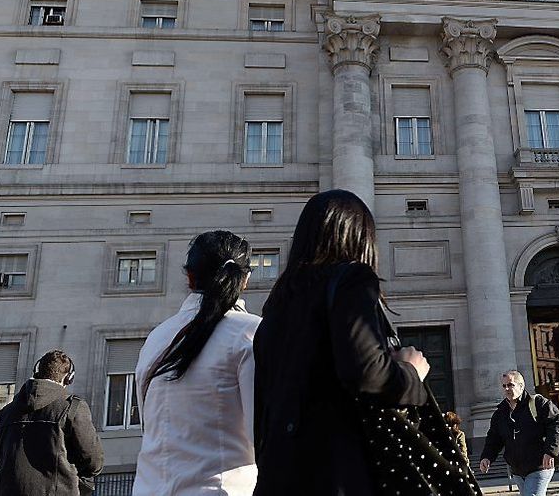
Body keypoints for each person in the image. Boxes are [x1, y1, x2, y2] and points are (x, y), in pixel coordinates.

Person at [253, 190, 432, 495]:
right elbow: (366, 371)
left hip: (277, 476)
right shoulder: (352, 279)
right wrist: (410, 373)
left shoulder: (278, 301)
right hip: (339, 475)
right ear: (360, 237)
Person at [133, 231, 260, 496]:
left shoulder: (156, 338)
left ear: (190, 277)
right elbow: (263, 435)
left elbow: (148, 423)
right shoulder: (251, 333)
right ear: (245, 279)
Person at [0, 350, 103, 496]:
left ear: (37, 371)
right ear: (68, 378)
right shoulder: (72, 408)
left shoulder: (6, 413)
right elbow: (93, 462)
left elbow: (2, 458)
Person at [480, 370, 559, 496]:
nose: (507, 389)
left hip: (539, 466)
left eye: (511, 385)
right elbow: (494, 438)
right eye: (504, 386)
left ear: (521, 386)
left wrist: (550, 452)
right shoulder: (501, 412)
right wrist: (487, 457)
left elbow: (558, 424)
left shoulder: (539, 404)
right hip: (517, 470)